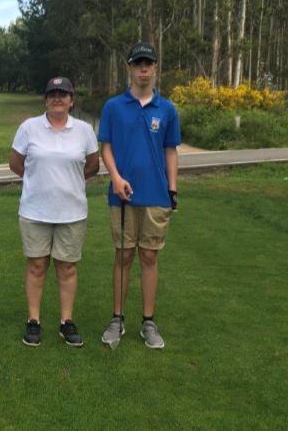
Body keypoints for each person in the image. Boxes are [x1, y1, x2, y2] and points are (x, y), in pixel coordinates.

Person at [98, 42, 181, 349]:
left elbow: (170, 151)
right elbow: (105, 147)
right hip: (122, 194)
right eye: (138, 63)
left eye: (148, 63)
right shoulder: (113, 107)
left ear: (155, 67)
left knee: (149, 256)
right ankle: (117, 319)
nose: (143, 69)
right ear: (129, 68)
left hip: (156, 195)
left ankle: (148, 321)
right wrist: (116, 178)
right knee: (123, 255)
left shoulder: (167, 109)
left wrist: (172, 189)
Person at [9, 77, 99, 347]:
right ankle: (33, 321)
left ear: (72, 100)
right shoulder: (29, 128)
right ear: (46, 100)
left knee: (67, 267)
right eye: (52, 94)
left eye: (63, 94)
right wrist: (39, 180)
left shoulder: (84, 130)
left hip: (72, 212)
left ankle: (66, 322)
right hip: (35, 210)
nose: (57, 99)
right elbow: (16, 163)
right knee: (37, 266)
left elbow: (93, 165)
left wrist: (67, 182)